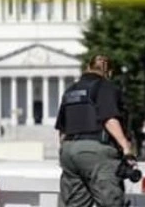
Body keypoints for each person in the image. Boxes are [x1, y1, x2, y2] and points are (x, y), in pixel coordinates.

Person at [54, 54, 136, 207]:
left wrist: (65, 152)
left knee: (74, 203)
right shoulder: (105, 87)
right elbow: (110, 119)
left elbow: (62, 130)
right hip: (96, 151)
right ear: (109, 72)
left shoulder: (70, 90)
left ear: (88, 67)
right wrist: (126, 148)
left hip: (69, 151)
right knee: (110, 201)